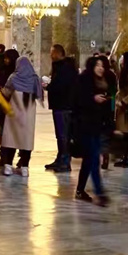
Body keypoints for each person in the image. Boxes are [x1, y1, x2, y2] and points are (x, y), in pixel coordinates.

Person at [74, 56, 115, 205]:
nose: (100, 68)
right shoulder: (84, 79)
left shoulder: (104, 82)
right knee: (94, 158)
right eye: (98, 65)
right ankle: (99, 192)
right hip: (85, 125)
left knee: (89, 159)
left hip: (98, 125)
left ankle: (80, 190)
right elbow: (78, 101)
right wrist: (93, 99)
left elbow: (109, 103)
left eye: (102, 65)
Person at [0, 56, 43, 176]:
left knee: (11, 139)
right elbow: (39, 94)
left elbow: (6, 92)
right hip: (28, 116)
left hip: (14, 114)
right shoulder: (34, 79)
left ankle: (8, 166)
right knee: (26, 140)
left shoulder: (13, 77)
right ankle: (24, 168)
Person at [44, 44, 77, 172]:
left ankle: (65, 161)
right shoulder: (60, 67)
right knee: (60, 135)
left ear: (58, 53)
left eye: (52, 52)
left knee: (64, 135)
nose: (50, 55)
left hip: (64, 105)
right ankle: (60, 158)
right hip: (59, 105)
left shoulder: (66, 68)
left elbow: (61, 86)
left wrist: (48, 86)